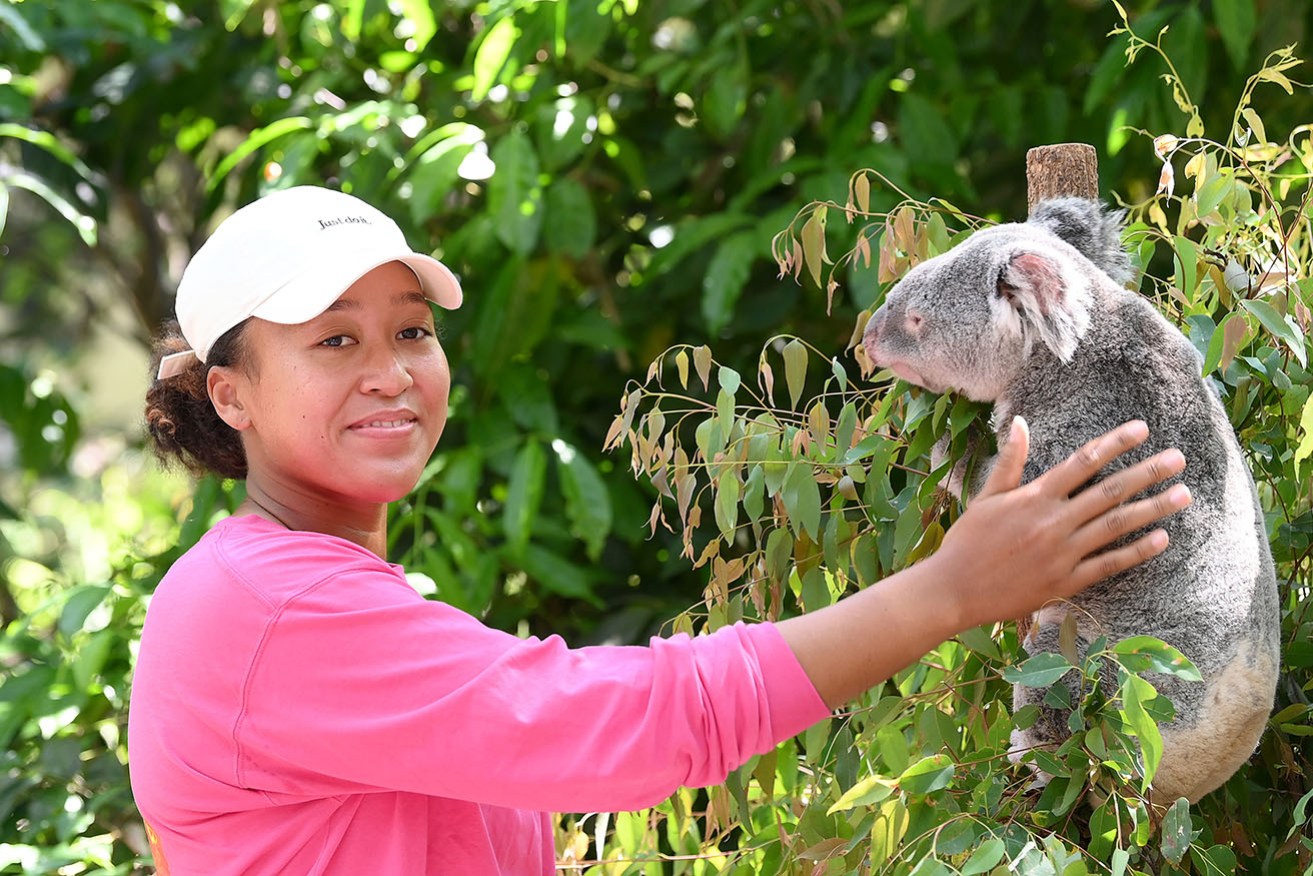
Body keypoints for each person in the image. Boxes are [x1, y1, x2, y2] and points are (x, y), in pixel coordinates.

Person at [128, 185, 1192, 875]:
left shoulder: (332, 591)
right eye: (331, 341)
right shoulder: (268, 608)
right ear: (231, 395)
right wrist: (948, 591)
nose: (391, 371)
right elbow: (619, 727)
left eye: (410, 329)